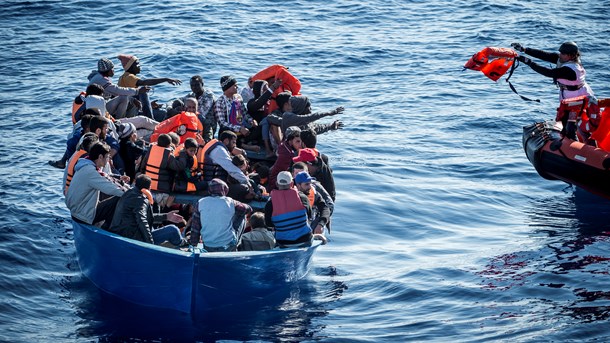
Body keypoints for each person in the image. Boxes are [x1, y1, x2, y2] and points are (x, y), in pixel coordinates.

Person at [109, 174, 187, 247]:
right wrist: (150, 244)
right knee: (173, 230)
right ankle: (182, 243)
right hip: (133, 239)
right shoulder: (140, 200)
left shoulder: (129, 193)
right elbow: (142, 220)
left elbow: (144, 217)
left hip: (125, 232)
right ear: (149, 188)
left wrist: (166, 216)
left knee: (152, 227)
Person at [65, 142, 128, 230]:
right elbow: (110, 188)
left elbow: (106, 177)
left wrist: (119, 180)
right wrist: (130, 193)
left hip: (77, 211)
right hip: (82, 215)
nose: (108, 160)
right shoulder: (91, 172)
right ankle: (110, 229)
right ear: (100, 157)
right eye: (107, 157)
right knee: (119, 199)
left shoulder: (85, 166)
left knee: (118, 193)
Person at [511, 42, 594, 101]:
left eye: (563, 53)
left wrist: (529, 62)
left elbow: (549, 73)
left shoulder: (571, 69)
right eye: (560, 53)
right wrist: (524, 50)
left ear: (571, 55)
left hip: (578, 95)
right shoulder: (566, 59)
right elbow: (546, 56)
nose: (560, 55)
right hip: (569, 93)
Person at [190, 178, 253, 252]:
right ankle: (236, 245)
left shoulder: (201, 202)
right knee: (242, 214)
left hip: (208, 244)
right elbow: (248, 209)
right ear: (225, 190)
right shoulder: (230, 201)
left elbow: (195, 226)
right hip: (227, 244)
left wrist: (193, 244)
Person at [116, 54, 181, 119]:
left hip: (133, 109)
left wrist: (149, 105)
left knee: (162, 111)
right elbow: (144, 82)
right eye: (137, 64)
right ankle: (150, 119)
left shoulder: (126, 77)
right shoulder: (128, 77)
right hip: (128, 112)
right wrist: (166, 79)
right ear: (130, 67)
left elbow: (133, 98)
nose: (139, 66)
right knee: (143, 92)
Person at [264, 171, 312, 247]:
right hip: (304, 240)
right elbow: (310, 216)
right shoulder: (302, 197)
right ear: (292, 183)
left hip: (283, 243)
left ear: (277, 184)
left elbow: (269, 224)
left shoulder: (270, 203)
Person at [214, 75, 257, 142]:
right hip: (229, 131)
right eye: (234, 85)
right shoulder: (220, 102)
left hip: (241, 127)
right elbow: (222, 123)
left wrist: (251, 121)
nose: (237, 87)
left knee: (259, 127)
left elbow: (244, 113)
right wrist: (239, 129)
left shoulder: (238, 97)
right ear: (227, 88)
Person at [294, 171, 330, 237]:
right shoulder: (291, 196)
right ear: (298, 185)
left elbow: (325, 208)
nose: (310, 187)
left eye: (310, 183)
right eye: (306, 184)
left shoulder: (315, 195)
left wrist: (321, 224)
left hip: (310, 226)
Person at [187, 75, 217, 142]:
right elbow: (177, 101)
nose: (194, 87)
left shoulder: (209, 96)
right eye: (192, 85)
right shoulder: (191, 95)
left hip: (208, 126)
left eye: (197, 85)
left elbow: (202, 113)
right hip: (195, 123)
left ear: (202, 84)